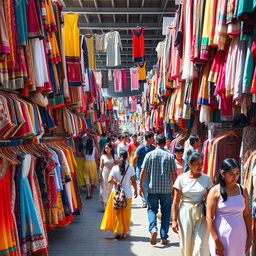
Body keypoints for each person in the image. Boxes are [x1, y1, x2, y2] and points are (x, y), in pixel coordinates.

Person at [206, 158, 252, 256]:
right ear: (223, 174)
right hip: (221, 237)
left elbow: (247, 214)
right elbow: (209, 218)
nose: (235, 177)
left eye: (237, 173)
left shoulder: (242, 190)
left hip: (240, 236)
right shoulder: (215, 191)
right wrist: (216, 241)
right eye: (231, 174)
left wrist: (250, 236)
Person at [172, 152, 213, 256]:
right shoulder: (181, 178)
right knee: (186, 243)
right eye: (197, 163)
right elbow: (176, 201)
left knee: (200, 244)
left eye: (201, 163)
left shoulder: (206, 179)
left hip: (201, 212)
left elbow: (213, 196)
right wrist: (173, 220)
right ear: (189, 164)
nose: (200, 166)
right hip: (185, 211)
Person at [140, 134, 177, 245]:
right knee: (166, 213)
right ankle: (164, 237)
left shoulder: (149, 155)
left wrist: (141, 186)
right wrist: (176, 188)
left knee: (152, 209)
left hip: (152, 189)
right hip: (166, 189)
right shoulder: (170, 156)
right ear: (165, 143)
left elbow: (143, 172)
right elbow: (174, 174)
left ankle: (153, 229)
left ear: (156, 142)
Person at [100, 151, 137, 239]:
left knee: (117, 213)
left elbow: (109, 180)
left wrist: (116, 183)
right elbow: (134, 181)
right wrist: (136, 190)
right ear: (127, 157)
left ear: (119, 157)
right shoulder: (131, 168)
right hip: (127, 194)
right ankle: (124, 233)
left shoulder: (114, 168)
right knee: (126, 213)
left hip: (116, 194)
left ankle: (117, 232)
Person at [133, 132, 155, 208]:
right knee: (143, 185)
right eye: (152, 138)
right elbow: (135, 158)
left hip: (151, 170)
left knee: (149, 186)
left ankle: (148, 200)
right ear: (148, 138)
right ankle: (145, 201)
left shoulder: (153, 148)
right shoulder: (141, 147)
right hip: (141, 170)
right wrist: (134, 169)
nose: (153, 139)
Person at [99, 143, 118, 211]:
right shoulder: (103, 156)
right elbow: (101, 167)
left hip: (112, 174)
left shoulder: (114, 156)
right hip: (105, 173)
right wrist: (100, 175)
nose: (106, 149)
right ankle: (104, 205)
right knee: (104, 188)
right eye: (105, 148)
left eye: (108, 148)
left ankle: (111, 203)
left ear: (111, 148)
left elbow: (117, 164)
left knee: (111, 188)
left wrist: (113, 164)